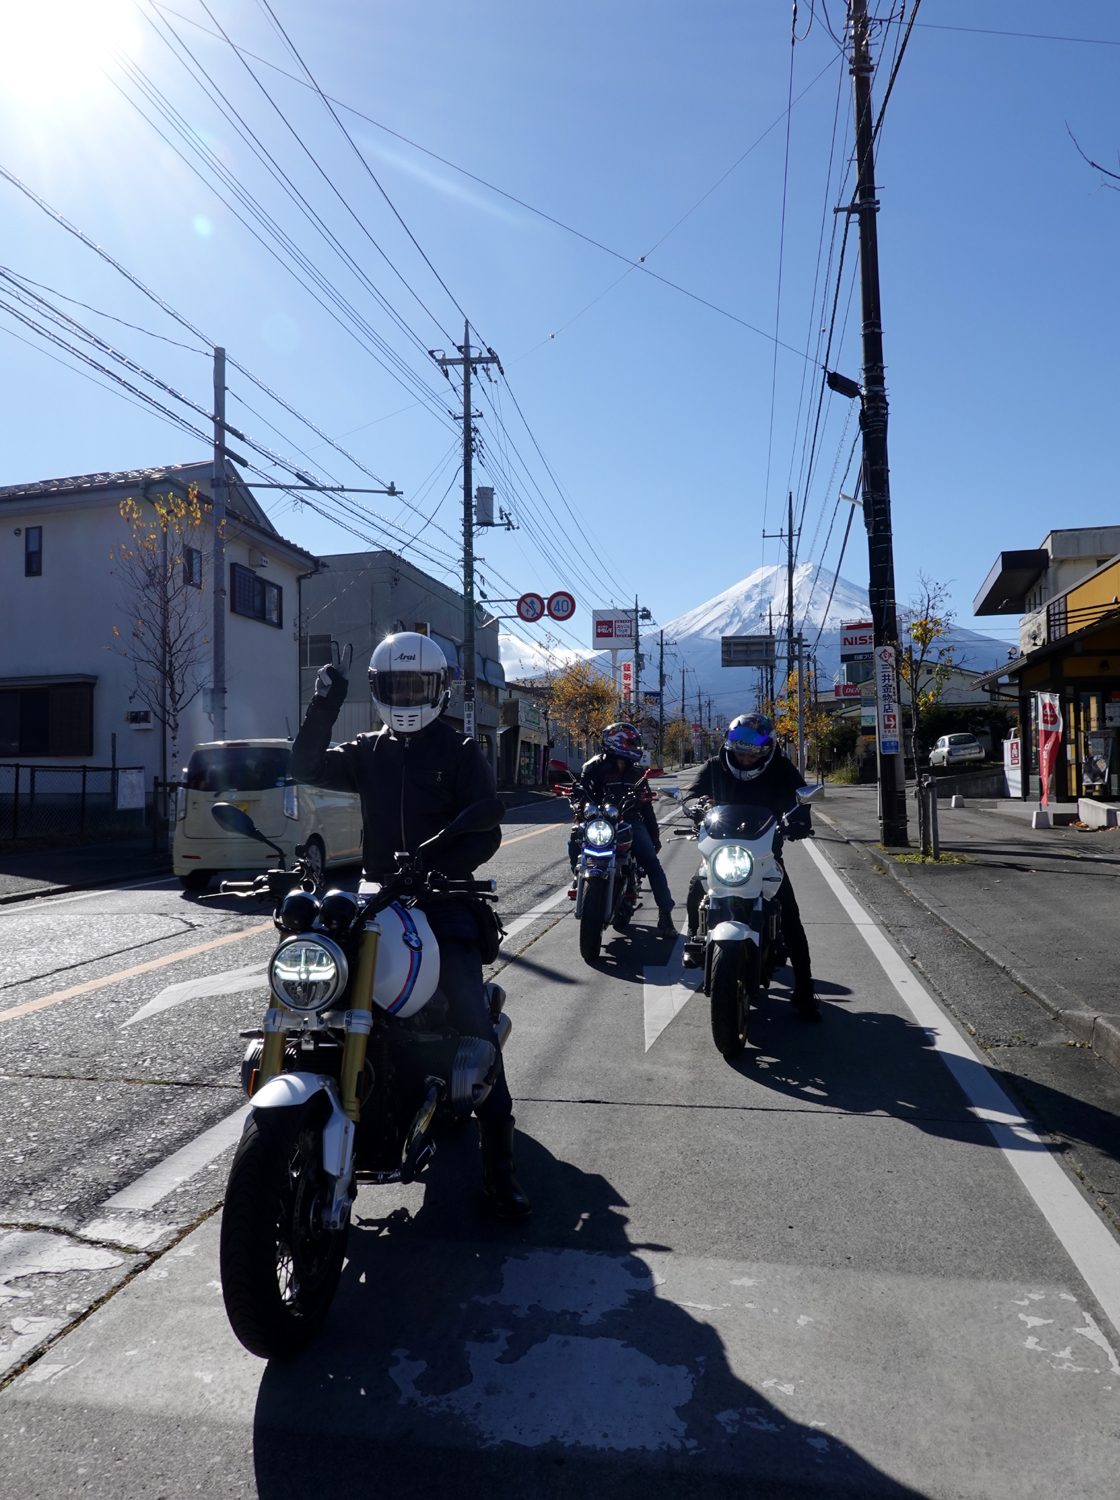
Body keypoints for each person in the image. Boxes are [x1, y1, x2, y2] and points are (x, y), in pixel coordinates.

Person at [290, 631, 531, 1220]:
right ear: (376, 688)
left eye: (417, 685)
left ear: (439, 689)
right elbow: (304, 765)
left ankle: (499, 1167)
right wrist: (324, 701)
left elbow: (486, 829)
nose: (406, 696)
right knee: (328, 992)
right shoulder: (368, 750)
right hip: (379, 901)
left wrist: (440, 864)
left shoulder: (459, 751)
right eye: (396, 685)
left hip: (444, 901)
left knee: (470, 1019)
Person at [682, 712, 820, 1021]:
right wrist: (694, 805)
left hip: (764, 855)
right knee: (695, 887)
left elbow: (801, 800)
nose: (744, 756)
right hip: (721, 852)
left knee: (791, 916)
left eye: (752, 750)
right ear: (730, 745)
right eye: (740, 748)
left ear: (767, 749)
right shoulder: (716, 766)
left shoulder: (781, 768)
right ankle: (694, 937)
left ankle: (804, 990)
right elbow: (694, 791)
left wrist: (799, 820)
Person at [568, 721, 676, 937]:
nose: (636, 747)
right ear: (617, 743)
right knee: (574, 839)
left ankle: (665, 914)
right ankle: (577, 875)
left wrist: (654, 836)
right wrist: (579, 803)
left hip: (630, 822)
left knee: (651, 863)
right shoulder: (592, 767)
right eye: (632, 743)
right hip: (599, 821)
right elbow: (579, 792)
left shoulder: (637, 773)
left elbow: (646, 806)